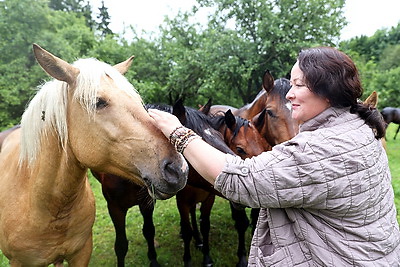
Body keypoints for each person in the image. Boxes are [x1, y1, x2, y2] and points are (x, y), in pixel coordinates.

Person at [148, 46, 400, 266]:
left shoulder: (317, 151)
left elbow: (240, 180)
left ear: (328, 92)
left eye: (298, 85)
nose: (289, 94)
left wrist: (179, 133)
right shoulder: (360, 127)